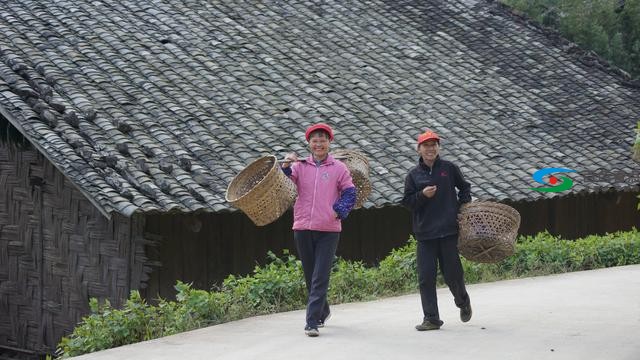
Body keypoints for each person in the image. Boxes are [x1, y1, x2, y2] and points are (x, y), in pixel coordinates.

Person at [281, 123, 357, 337]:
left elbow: (350, 193)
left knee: (320, 275)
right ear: (309, 144)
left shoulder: (338, 168)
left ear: (329, 143)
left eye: (323, 140)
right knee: (310, 274)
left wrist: (339, 211)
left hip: (329, 229)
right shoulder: (300, 166)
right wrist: (286, 164)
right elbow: (283, 183)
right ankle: (323, 310)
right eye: (315, 141)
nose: (319, 144)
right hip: (303, 226)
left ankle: (312, 321)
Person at [401, 129, 472, 331]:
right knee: (426, 277)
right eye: (426, 145)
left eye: (434, 145)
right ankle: (431, 318)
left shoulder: (449, 169)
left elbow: (465, 188)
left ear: (438, 147)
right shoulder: (413, 175)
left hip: (449, 231)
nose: (430, 148)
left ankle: (462, 301)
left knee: (453, 275)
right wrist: (422, 195)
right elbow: (407, 202)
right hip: (425, 235)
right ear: (419, 149)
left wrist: (461, 207)